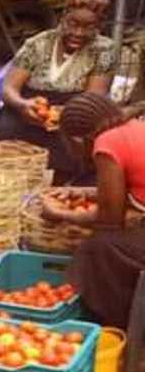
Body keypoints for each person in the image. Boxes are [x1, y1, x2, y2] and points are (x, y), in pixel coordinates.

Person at [42, 92, 145, 329]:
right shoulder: (133, 126)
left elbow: (109, 220)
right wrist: (85, 193)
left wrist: (60, 214)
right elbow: (132, 188)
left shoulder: (106, 143)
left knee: (98, 248)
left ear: (78, 139)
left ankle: (119, 325)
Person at [0, 0, 114, 184]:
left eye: (88, 27)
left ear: (99, 25)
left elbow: (94, 97)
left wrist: (64, 115)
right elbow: (8, 89)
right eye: (73, 23)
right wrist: (22, 105)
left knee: (77, 138)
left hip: (76, 112)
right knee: (8, 125)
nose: (78, 32)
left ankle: (60, 188)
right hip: (29, 107)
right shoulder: (37, 44)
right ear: (63, 17)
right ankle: (12, 185)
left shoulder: (104, 51)